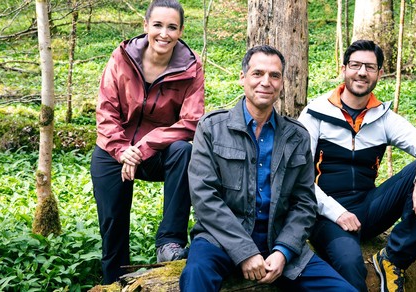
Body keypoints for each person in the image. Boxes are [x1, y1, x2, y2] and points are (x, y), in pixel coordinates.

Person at [179, 45, 356, 292]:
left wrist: (283, 251)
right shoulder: (211, 128)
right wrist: (245, 252)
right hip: (219, 240)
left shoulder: (296, 136)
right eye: (257, 73)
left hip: (279, 240)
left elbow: (304, 202)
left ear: (282, 82)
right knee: (196, 277)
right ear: (243, 77)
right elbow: (204, 199)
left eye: (274, 75)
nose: (266, 82)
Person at [298, 40, 416, 292]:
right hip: (325, 215)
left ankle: (393, 259)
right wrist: (337, 213)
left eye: (370, 66)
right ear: (344, 69)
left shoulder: (383, 117)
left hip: (368, 208)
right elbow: (299, 179)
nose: (362, 72)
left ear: (378, 73)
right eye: (355, 65)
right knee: (350, 263)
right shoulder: (315, 114)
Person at [90, 0, 204, 284]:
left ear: (180, 31)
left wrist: (143, 147)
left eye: (172, 27)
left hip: (158, 153)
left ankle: (169, 243)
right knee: (113, 226)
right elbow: (106, 111)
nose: (164, 33)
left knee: (184, 151)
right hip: (114, 149)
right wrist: (121, 150)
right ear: (145, 26)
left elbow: (191, 122)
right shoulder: (121, 58)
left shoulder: (191, 68)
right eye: (157, 25)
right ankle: (113, 283)